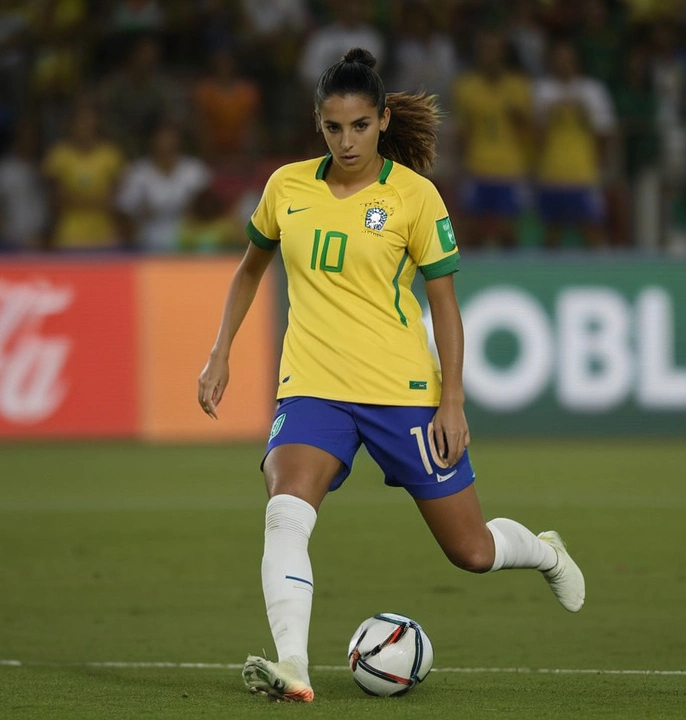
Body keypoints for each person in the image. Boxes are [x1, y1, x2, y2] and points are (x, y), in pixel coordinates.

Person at [196, 48, 585, 704]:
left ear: (381, 120)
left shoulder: (413, 195)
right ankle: (292, 663)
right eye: (332, 127)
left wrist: (452, 399)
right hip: (313, 386)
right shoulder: (285, 188)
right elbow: (251, 267)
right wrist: (219, 351)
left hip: (402, 394)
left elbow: (445, 303)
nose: (346, 141)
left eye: (358, 126)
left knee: (471, 552)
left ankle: (544, 551)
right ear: (317, 125)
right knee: (286, 509)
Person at [532, 41, 617, 249]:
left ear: (576, 60)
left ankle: (601, 276)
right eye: (559, 58)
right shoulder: (541, 91)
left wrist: (601, 166)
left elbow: (604, 133)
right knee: (552, 230)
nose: (563, 63)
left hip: (584, 174)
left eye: (568, 58)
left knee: (592, 229)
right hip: (551, 174)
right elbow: (534, 135)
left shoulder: (593, 90)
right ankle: (546, 278)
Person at [451, 30, 532, 249]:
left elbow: (528, 130)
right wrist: (462, 165)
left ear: (503, 53)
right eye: (485, 49)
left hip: (510, 168)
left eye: (494, 49)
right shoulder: (466, 87)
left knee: (509, 232)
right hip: (477, 166)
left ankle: (513, 280)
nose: (490, 54)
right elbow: (463, 131)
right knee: (473, 231)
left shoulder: (518, 86)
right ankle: (474, 279)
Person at [116, 123, 211, 253]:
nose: (166, 143)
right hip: (147, 241)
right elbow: (124, 211)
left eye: (170, 138)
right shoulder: (138, 173)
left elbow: (210, 207)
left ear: (178, 140)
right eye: (161, 138)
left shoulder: (194, 170)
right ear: (152, 141)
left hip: (189, 240)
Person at [42, 102, 126, 250]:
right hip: (70, 234)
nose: (85, 126)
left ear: (97, 124)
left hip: (104, 234)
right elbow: (56, 198)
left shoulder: (110, 154)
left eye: (89, 121)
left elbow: (118, 197)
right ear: (71, 125)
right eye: (80, 121)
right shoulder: (59, 155)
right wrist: (97, 200)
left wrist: (78, 200)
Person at [0, 117, 48, 251]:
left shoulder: (46, 168)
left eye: (33, 137)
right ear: (16, 138)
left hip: (41, 243)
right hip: (8, 244)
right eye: (25, 137)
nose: (29, 141)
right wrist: (3, 240)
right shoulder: (3, 169)